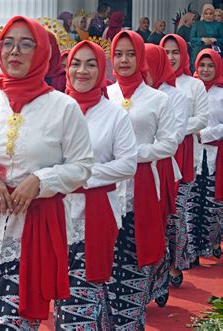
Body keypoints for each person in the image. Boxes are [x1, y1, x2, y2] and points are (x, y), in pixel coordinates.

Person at [0, 15, 94, 330]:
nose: (14, 52)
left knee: (14, 323)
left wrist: (40, 181)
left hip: (36, 230)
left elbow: (82, 166)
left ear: (42, 51)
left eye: (25, 44)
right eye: (8, 44)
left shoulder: (63, 107)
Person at [54, 40, 137, 330]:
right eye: (76, 63)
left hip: (96, 213)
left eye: (91, 64)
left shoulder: (114, 113)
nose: (82, 70)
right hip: (56, 210)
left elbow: (128, 163)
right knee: (62, 290)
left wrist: (82, 175)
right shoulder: (55, 108)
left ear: (102, 69)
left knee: (81, 291)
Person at [105, 30, 177, 329]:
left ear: (141, 56)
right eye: (118, 54)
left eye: (130, 53)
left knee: (136, 261)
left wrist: (132, 154)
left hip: (142, 188)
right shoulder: (104, 94)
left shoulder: (158, 99)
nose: (124, 60)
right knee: (106, 265)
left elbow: (169, 143)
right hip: (106, 192)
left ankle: (133, 316)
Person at [160, 33, 208, 287]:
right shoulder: (153, 85)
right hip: (157, 157)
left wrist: (174, 128)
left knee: (176, 214)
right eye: (165, 51)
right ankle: (156, 269)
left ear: (184, 53)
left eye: (175, 51)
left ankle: (175, 263)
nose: (170, 57)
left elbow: (202, 119)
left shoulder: (193, 85)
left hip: (184, 155)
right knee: (159, 216)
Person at [144, 43, 189, 307]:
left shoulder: (174, 96)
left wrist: (136, 152)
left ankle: (159, 280)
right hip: (131, 174)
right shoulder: (129, 95)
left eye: (149, 66)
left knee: (159, 227)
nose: (145, 72)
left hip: (162, 169)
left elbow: (175, 135)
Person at [187, 49, 222, 263]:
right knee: (193, 201)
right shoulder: (192, 89)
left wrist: (206, 133)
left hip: (216, 153)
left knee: (211, 202)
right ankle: (191, 251)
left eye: (210, 66)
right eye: (202, 65)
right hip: (193, 153)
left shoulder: (221, 92)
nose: (205, 70)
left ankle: (212, 243)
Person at [190, 4, 223, 72]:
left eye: (210, 13)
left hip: (214, 49)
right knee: (198, 69)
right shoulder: (197, 24)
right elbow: (191, 38)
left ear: (213, 14)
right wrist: (202, 39)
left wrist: (215, 40)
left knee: (214, 69)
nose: (208, 16)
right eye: (206, 13)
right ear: (203, 14)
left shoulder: (218, 25)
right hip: (199, 50)